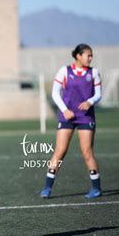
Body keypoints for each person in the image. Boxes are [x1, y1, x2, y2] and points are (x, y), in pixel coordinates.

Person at [41, 44, 103, 199]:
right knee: (60, 151)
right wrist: (64, 110)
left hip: (85, 117)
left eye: (91, 56)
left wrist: (90, 101)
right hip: (67, 116)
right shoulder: (64, 71)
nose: (90, 58)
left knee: (87, 152)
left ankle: (96, 188)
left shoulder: (94, 73)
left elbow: (99, 94)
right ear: (78, 56)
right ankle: (47, 187)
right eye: (87, 55)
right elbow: (55, 93)